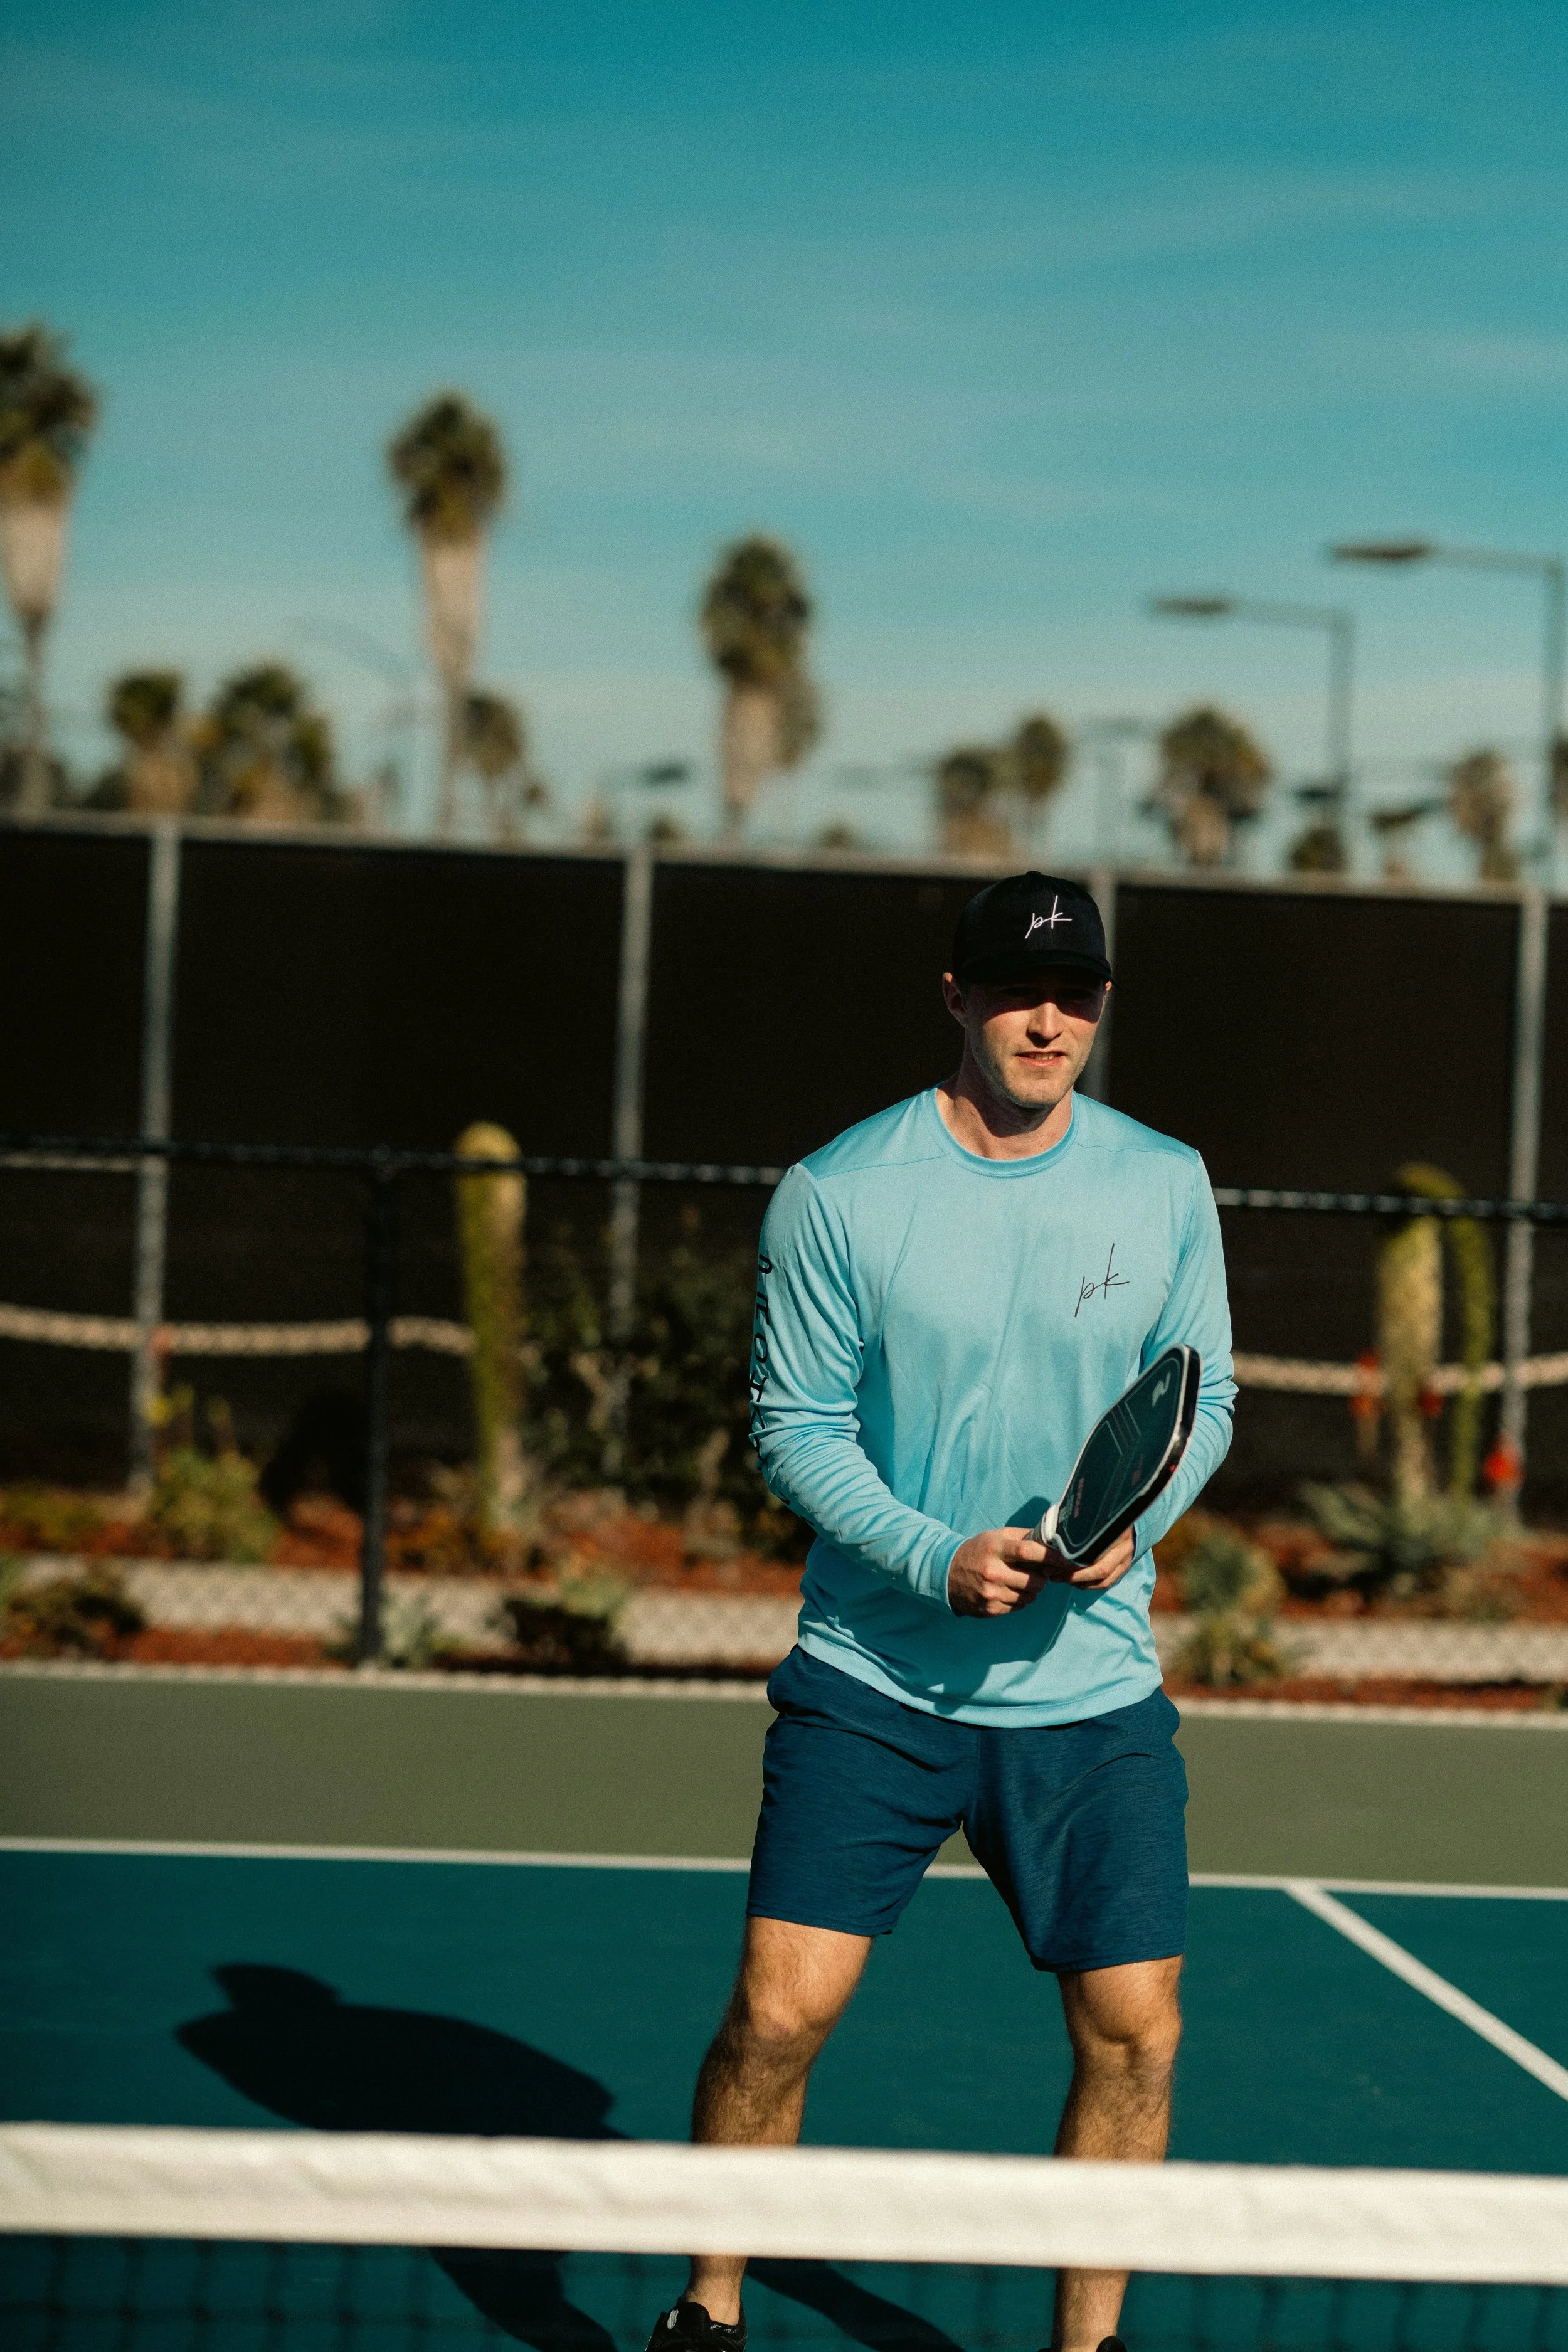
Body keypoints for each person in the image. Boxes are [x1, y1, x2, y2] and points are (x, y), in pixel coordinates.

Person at [646, 871, 1236, 2352]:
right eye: (1019, 991)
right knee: (776, 2020)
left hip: (1089, 1697)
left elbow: (1201, 1397)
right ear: (958, 997)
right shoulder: (839, 1193)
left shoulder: (1163, 1181)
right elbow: (793, 1428)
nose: (1051, 1021)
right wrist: (931, 1556)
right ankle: (707, 2312)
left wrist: (1133, 1529)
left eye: (1078, 995)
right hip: (874, 1687)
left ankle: (1086, 2347)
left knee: (1134, 2035)